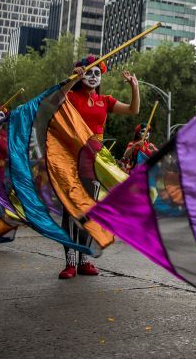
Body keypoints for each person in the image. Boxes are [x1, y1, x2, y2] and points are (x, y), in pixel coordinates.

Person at [57, 55, 140, 280]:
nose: (93, 77)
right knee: (71, 209)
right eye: (89, 72)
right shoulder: (71, 96)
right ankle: (70, 262)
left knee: (89, 210)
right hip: (72, 158)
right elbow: (55, 99)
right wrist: (73, 79)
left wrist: (135, 87)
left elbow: (133, 110)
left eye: (97, 73)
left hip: (94, 161)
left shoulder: (105, 100)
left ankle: (84, 259)